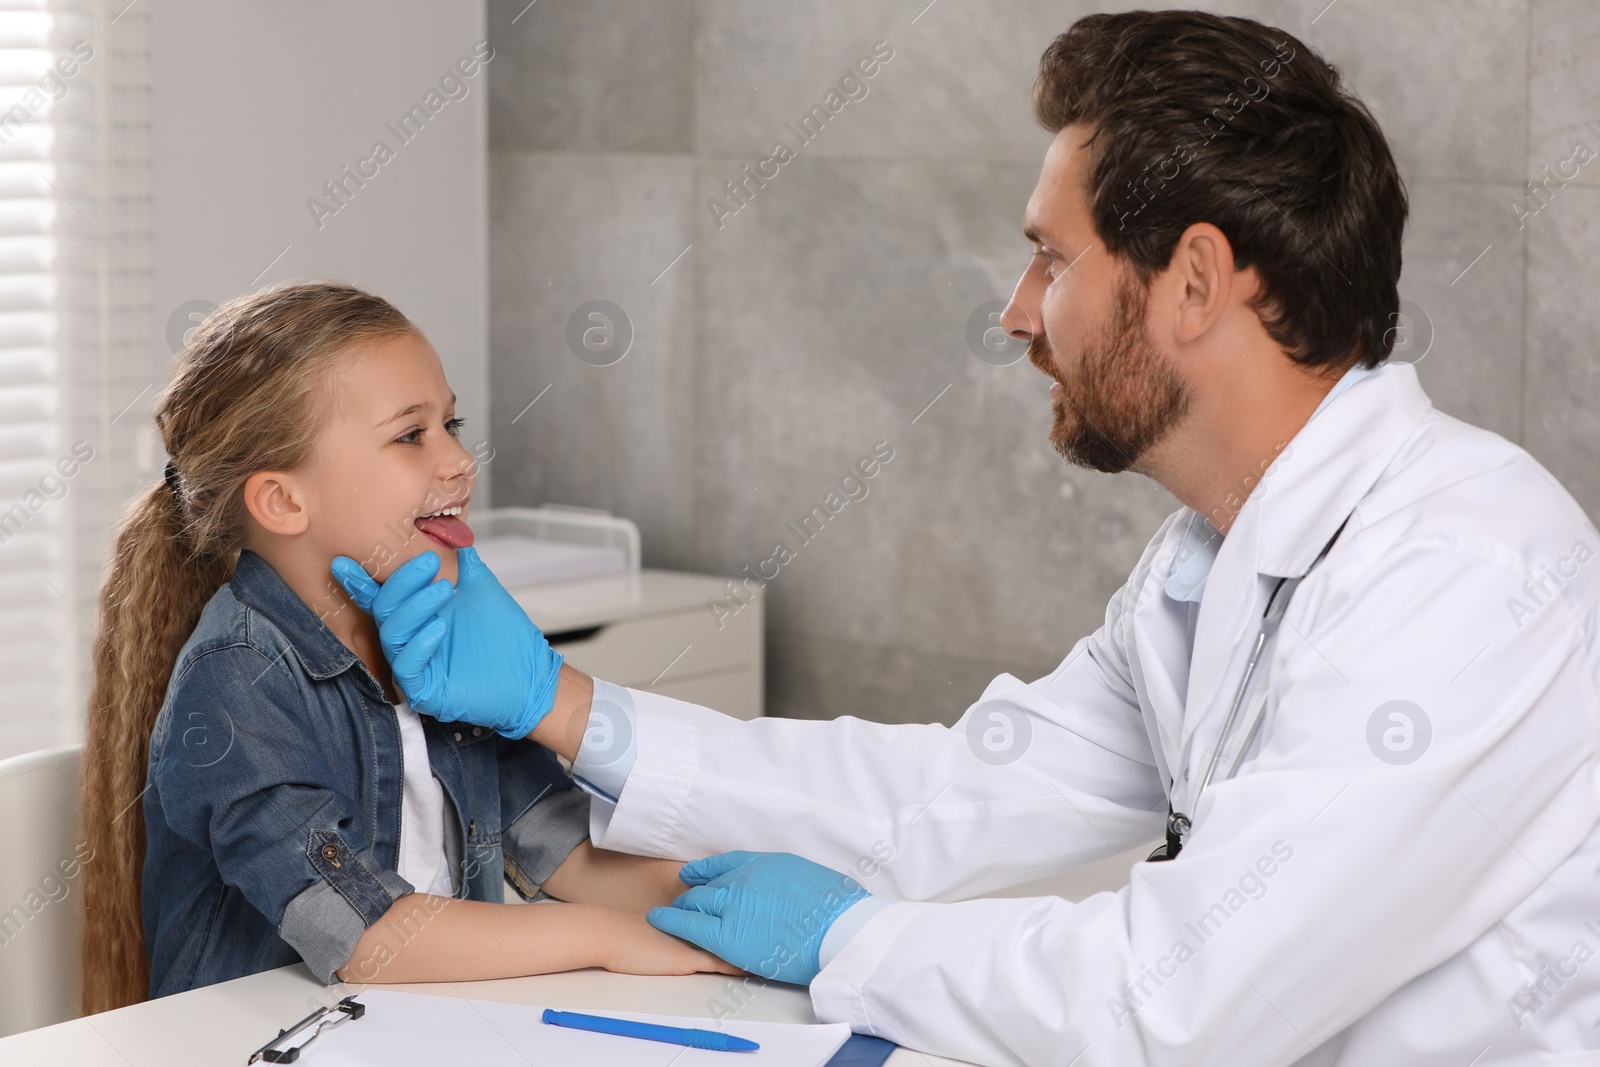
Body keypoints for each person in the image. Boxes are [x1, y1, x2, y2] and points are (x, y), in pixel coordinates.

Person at [332, 12, 1600, 1067]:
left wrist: (850, 942)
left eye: (1051, 258)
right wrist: (571, 706)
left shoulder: (1466, 573)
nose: (1014, 313)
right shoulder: (1202, 566)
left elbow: (1173, 998)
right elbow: (957, 793)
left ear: (1197, 282)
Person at [76, 280, 738, 1015]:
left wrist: (711, 891)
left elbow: (566, 852)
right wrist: (609, 938)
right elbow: (366, 934)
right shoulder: (237, 677)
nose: (460, 459)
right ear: (283, 501)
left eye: (452, 423)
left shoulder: (440, 648)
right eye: (411, 435)